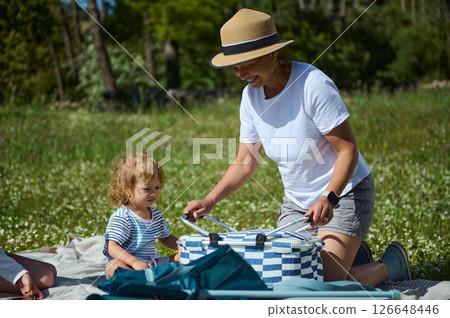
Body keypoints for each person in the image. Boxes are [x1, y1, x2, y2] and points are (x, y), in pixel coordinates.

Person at [183, 8, 411, 286]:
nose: (240, 73)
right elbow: (246, 160)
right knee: (283, 275)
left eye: (247, 63)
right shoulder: (250, 96)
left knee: (319, 282)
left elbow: (347, 149)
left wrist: (329, 197)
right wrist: (210, 200)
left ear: (273, 54)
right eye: (235, 66)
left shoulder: (313, 85)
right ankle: (352, 253)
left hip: (345, 195)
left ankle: (391, 265)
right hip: (298, 204)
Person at [103, 152, 180, 279]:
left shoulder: (156, 215)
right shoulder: (123, 217)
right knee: (112, 266)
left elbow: (165, 238)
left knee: (181, 257)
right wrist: (134, 262)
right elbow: (112, 247)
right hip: (128, 264)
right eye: (147, 189)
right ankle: (137, 279)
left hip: (150, 264)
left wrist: (181, 246)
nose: (153, 193)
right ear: (127, 189)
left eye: (157, 188)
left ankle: (149, 277)